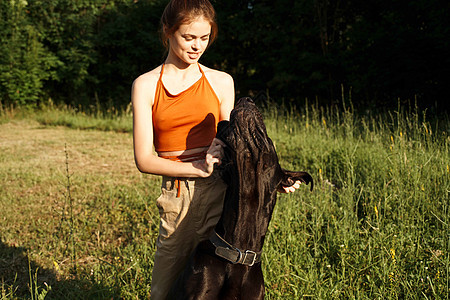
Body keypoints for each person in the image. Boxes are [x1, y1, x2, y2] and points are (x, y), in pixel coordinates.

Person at [131, 0, 302, 298]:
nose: (197, 46)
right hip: (179, 200)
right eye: (188, 37)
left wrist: (272, 177)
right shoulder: (146, 85)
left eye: (204, 38)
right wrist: (194, 167)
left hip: (224, 198)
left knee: (225, 290)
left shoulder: (221, 82)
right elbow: (144, 159)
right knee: (163, 291)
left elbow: (237, 144)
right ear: (168, 32)